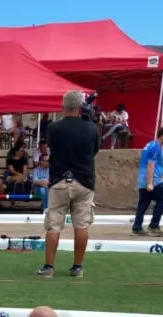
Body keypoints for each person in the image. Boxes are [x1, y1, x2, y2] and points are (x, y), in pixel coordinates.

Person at [38, 90, 100, 279]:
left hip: (59, 180)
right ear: (81, 106)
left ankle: (49, 267)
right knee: (81, 225)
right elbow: (95, 151)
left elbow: (50, 147)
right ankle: (77, 267)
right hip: (84, 181)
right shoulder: (92, 128)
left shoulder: (54, 128)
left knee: (54, 225)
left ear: (63, 106)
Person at [132, 127, 163, 237]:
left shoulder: (150, 145)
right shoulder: (156, 148)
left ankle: (137, 227)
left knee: (143, 203)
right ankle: (153, 226)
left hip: (144, 179)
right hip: (152, 180)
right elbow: (151, 165)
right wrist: (150, 182)